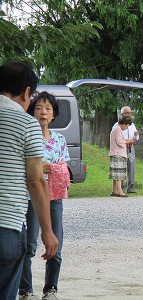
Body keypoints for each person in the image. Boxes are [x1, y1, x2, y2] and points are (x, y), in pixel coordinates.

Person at [0, 61, 58, 300]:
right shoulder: (26, 123)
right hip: (7, 227)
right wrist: (47, 231)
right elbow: (35, 181)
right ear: (26, 92)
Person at [18, 92, 71, 300]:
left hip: (54, 198)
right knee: (29, 245)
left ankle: (51, 289)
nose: (43, 112)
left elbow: (64, 167)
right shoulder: (28, 137)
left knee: (55, 244)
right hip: (31, 198)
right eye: (39, 107)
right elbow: (23, 167)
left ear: (54, 115)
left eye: (48, 108)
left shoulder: (60, 139)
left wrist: (57, 169)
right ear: (33, 112)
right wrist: (39, 168)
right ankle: (25, 291)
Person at [113, 106, 139, 194]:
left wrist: (136, 135)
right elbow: (118, 139)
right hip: (121, 148)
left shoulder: (132, 124)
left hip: (130, 148)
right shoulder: (117, 126)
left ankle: (130, 187)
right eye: (127, 113)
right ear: (122, 114)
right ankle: (121, 187)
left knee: (131, 166)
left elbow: (136, 137)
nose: (129, 115)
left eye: (130, 113)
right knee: (121, 167)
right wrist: (126, 141)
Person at [110, 116, 133, 197]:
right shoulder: (118, 129)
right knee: (119, 173)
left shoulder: (115, 128)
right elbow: (119, 141)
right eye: (127, 126)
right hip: (118, 153)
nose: (126, 128)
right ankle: (120, 191)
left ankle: (114, 190)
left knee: (116, 173)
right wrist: (128, 141)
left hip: (116, 153)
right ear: (124, 124)